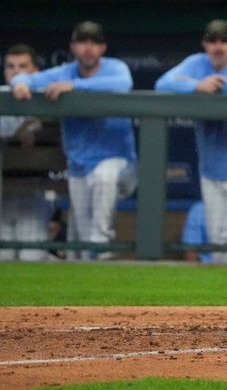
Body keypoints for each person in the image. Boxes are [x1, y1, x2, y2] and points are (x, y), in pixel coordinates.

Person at [10, 21, 138, 260]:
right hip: (79, 165)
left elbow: (123, 84)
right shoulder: (64, 72)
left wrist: (75, 86)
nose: (88, 48)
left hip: (120, 164)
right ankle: (94, 267)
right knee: (81, 234)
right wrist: (20, 84)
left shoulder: (114, 68)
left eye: (94, 43)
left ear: (103, 48)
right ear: (73, 47)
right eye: (82, 42)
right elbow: (27, 79)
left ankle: (102, 245)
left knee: (103, 177)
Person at [155, 19, 227, 264]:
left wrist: (216, 85)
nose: (219, 47)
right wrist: (197, 84)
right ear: (205, 44)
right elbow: (162, 83)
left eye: (225, 41)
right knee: (218, 241)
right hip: (211, 170)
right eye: (213, 41)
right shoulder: (197, 64)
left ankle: (225, 294)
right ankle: (226, 297)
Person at [0, 43, 49, 261]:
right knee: (4, 255)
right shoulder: (1, 94)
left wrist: (34, 126)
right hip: (3, 188)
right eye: (10, 66)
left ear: (34, 71)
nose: (16, 72)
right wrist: (22, 130)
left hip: (35, 188)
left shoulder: (47, 97)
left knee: (32, 255)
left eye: (22, 66)